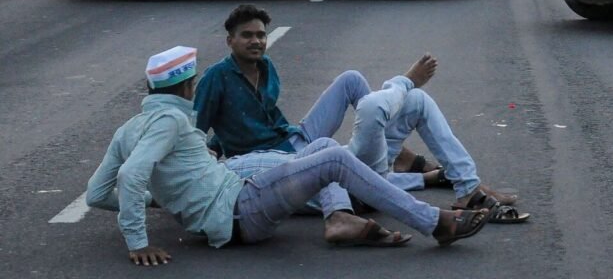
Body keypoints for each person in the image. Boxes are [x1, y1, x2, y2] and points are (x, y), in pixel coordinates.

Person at [86, 46, 489, 266]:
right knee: (334, 160)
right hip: (239, 210)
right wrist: (138, 240)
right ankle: (435, 222)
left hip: (237, 193)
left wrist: (164, 198)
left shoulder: (129, 129)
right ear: (187, 87)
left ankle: (341, 216)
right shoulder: (171, 121)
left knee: (325, 148)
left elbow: (97, 193)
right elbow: (132, 175)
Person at [194, 4, 526, 222]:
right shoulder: (216, 78)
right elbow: (196, 130)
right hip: (275, 162)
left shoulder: (265, 67)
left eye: (261, 35)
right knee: (350, 161)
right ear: (229, 41)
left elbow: (259, 118)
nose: (256, 41)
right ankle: (410, 149)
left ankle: (466, 187)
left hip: (296, 139)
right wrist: (210, 160)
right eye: (247, 36)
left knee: (359, 82)